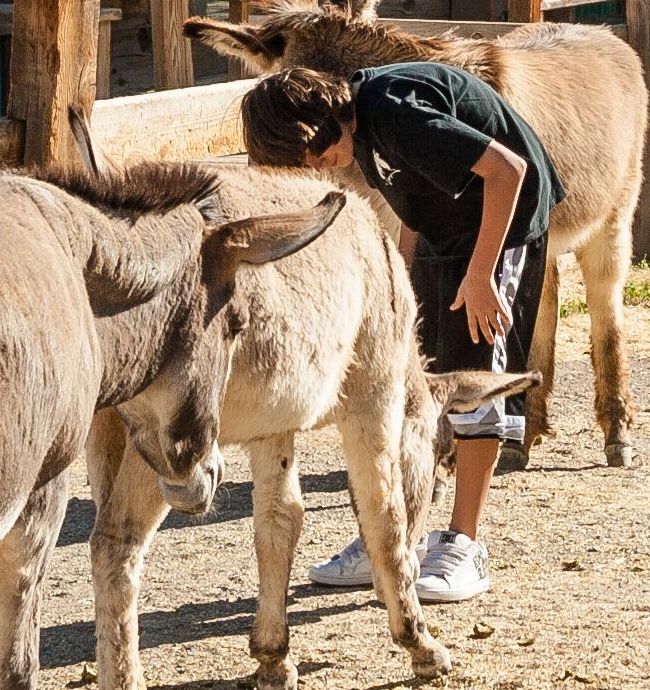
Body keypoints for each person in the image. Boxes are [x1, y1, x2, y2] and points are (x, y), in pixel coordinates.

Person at [235, 58, 548, 607]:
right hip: (448, 228)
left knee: (475, 370)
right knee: (408, 377)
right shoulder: (362, 133)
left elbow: (508, 172)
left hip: (505, 225)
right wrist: (398, 282)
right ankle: (396, 534)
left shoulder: (396, 111)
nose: (318, 164)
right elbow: (416, 195)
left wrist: (480, 275)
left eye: (313, 150)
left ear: (325, 115)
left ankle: (464, 543)